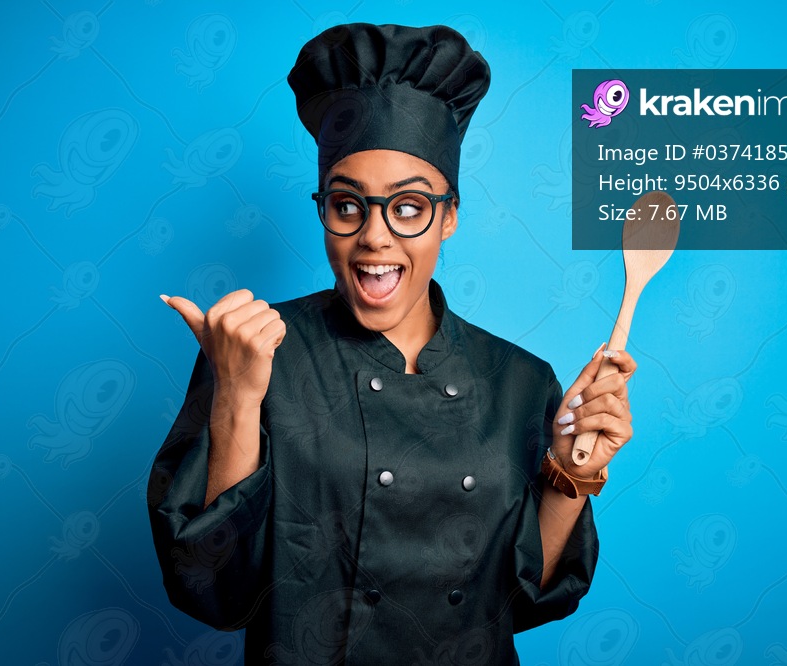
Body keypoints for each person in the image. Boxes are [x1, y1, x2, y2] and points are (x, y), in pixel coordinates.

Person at [148, 23, 635, 665]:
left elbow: (523, 604)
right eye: (349, 206)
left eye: (408, 208)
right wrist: (236, 398)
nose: (375, 237)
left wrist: (570, 476)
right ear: (323, 209)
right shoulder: (254, 354)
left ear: (451, 214)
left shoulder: (521, 382)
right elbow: (215, 593)